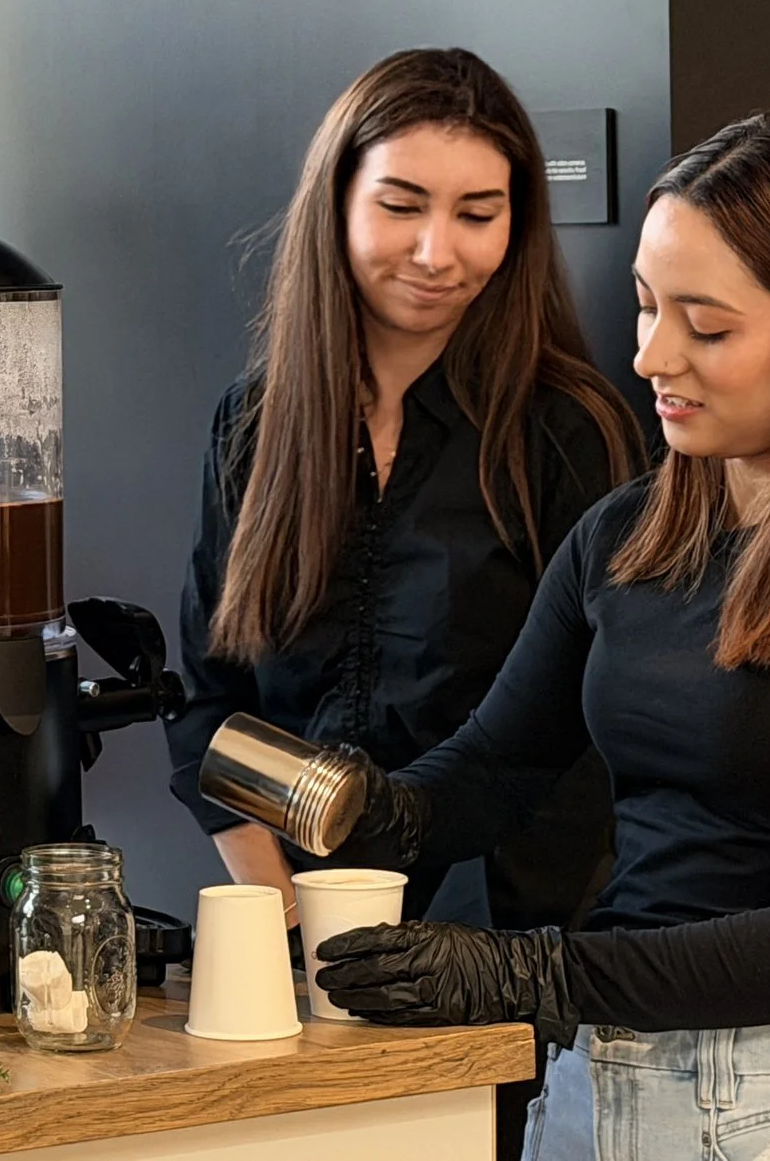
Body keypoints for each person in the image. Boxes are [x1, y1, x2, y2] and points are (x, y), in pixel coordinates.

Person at [312, 112, 770, 1161]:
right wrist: (371, 811)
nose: (650, 355)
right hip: (596, 1079)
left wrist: (529, 974)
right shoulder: (626, 534)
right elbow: (498, 767)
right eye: (644, 305)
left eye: (707, 327)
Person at [164, 48, 642, 936]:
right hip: (297, 935)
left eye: (477, 213)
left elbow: (591, 739)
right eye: (401, 205)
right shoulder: (255, 421)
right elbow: (208, 704)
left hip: (509, 942)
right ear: (338, 199)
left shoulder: (571, 429)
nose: (437, 251)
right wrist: (285, 920)